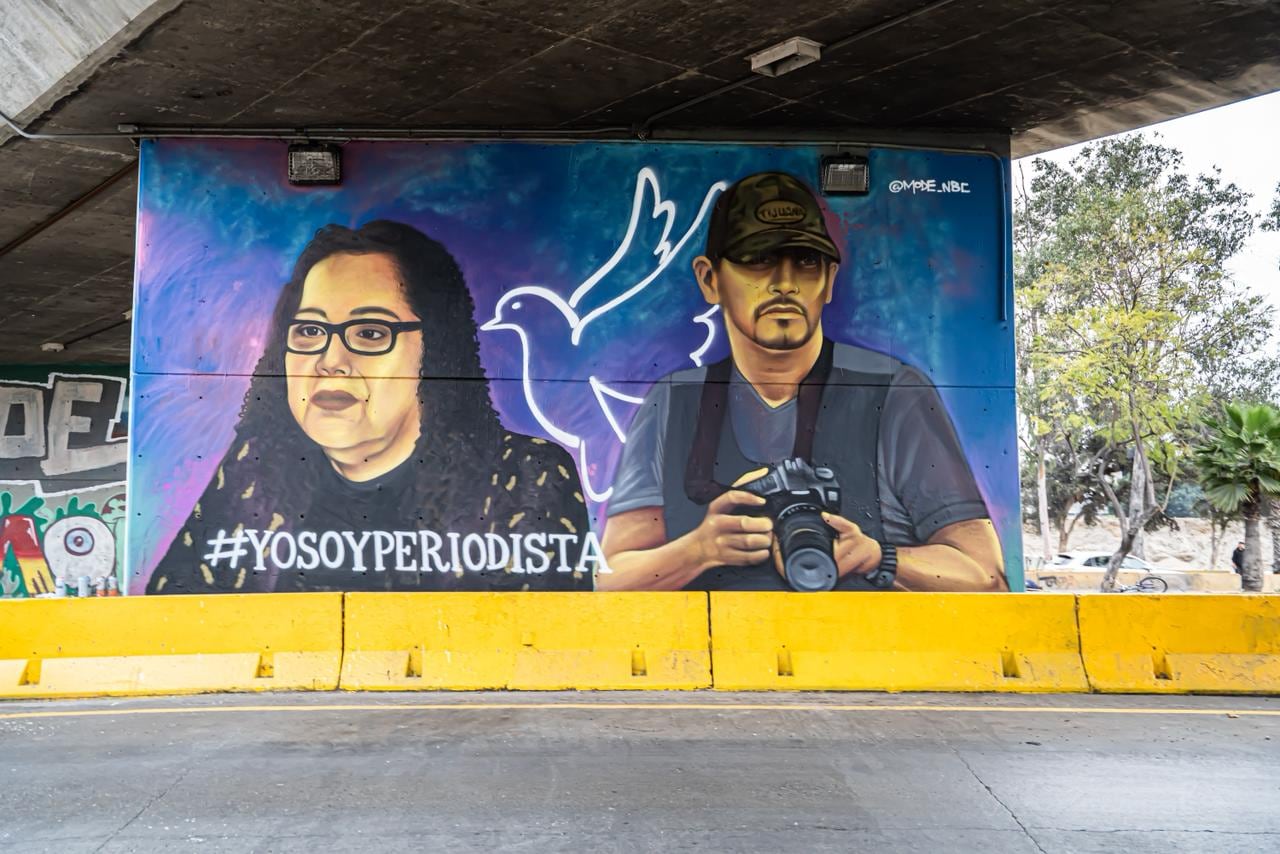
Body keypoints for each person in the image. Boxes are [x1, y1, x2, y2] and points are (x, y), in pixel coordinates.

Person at [600, 172, 1006, 592]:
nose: (785, 284)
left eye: (806, 262)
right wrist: (699, 550)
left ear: (829, 279)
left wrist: (876, 556)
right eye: (758, 260)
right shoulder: (674, 402)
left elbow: (985, 575)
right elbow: (609, 579)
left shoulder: (892, 393)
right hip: (709, 654)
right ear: (709, 279)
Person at [148, 220, 591, 593]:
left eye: (370, 333)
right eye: (308, 332)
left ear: (435, 350)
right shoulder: (255, 469)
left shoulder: (527, 475)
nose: (330, 361)